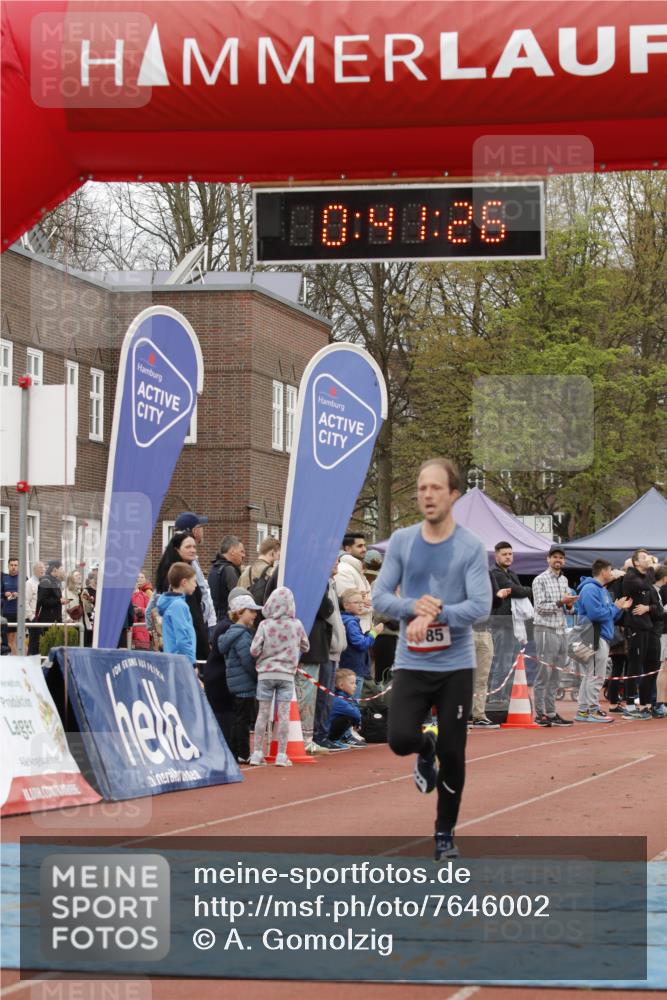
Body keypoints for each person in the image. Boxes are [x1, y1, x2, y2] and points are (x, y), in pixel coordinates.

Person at [373, 458, 492, 862]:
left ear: (453, 494)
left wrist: (436, 613)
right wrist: (411, 606)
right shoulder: (403, 541)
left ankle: (444, 832)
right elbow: (379, 597)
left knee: (455, 753)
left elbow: (480, 604)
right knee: (398, 739)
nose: (426, 494)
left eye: (435, 488)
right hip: (412, 662)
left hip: (454, 665)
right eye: (422, 487)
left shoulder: (470, 547)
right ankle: (425, 749)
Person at [249, 587, 310, 767]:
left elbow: (253, 650)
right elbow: (306, 646)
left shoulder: (264, 625)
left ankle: (257, 753)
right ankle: (281, 755)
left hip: (265, 673)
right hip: (286, 675)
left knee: (262, 713)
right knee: (283, 715)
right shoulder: (296, 625)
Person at [574, 559, 632, 723]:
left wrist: (618, 608)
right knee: (596, 675)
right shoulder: (591, 589)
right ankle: (592, 709)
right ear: (604, 572)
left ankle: (584, 710)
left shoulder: (601, 590)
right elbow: (596, 614)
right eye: (610, 570)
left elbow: (609, 615)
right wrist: (615, 608)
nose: (612, 573)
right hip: (594, 634)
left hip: (600, 634)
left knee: (591, 674)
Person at [531, 546, 577, 727]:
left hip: (561, 629)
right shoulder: (539, 580)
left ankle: (551, 712)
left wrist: (570, 605)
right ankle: (540, 713)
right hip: (545, 629)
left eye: (561, 557)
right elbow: (540, 607)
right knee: (544, 673)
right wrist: (561, 602)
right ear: (548, 559)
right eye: (555, 557)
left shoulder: (564, 579)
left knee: (556, 675)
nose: (558, 560)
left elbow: (564, 608)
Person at [203, 586, 253, 750]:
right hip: (222, 680)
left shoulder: (225, 626)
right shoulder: (232, 629)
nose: (254, 615)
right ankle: (235, 753)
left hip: (221, 678)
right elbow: (244, 658)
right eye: (250, 611)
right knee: (228, 722)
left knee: (226, 721)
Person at [486, 541, 533, 711]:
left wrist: (521, 590)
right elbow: (516, 590)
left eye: (510, 554)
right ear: (496, 555)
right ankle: (496, 700)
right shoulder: (495, 573)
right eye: (504, 554)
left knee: (511, 664)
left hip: (513, 624)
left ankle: (504, 698)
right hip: (501, 624)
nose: (508, 557)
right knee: (501, 663)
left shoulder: (511, 573)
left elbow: (518, 589)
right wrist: (527, 589)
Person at [309, 560, 348, 753]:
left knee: (328, 695)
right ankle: (318, 734)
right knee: (323, 695)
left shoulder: (332, 584)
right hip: (326, 647)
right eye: (333, 559)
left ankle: (323, 733)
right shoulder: (321, 583)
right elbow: (326, 612)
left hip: (334, 648)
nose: (337, 563)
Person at [219, 594, 262, 762]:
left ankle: (236, 751)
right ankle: (243, 753)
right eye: (251, 611)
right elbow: (247, 660)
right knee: (242, 721)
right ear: (240, 613)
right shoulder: (243, 635)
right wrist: (257, 676)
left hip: (236, 683)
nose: (254, 615)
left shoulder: (232, 634)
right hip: (244, 683)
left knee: (238, 719)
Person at [154, 531, 209, 661]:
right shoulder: (178, 586)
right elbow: (183, 634)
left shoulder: (185, 573)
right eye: (188, 547)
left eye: (194, 546)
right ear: (176, 549)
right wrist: (193, 660)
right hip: (187, 653)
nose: (193, 550)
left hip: (186, 646)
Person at [622, 548, 662, 719]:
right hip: (635, 629)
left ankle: (644, 704)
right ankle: (630, 706)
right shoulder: (631, 578)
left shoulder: (645, 580)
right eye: (643, 558)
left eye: (648, 556)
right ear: (636, 562)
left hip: (648, 629)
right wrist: (653, 565)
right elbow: (646, 585)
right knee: (635, 666)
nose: (648, 559)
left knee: (649, 666)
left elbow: (658, 608)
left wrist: (648, 607)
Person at [297, 586, 334, 748]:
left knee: (300, 693)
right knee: (306, 694)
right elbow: (326, 609)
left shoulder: (283, 571)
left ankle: (298, 737)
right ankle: (303, 739)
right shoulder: (314, 577)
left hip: (295, 647)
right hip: (310, 648)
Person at [174, 512, 217, 637]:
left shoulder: (190, 558)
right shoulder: (183, 558)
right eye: (201, 527)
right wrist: (200, 612)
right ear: (195, 531)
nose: (203, 531)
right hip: (192, 623)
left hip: (198, 620)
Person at [339, 589, 384, 701]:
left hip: (349, 667)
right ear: (346, 605)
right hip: (354, 669)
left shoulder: (345, 619)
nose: (360, 605)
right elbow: (361, 644)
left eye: (361, 602)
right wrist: (374, 633)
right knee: (353, 703)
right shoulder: (351, 622)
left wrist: (369, 633)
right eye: (356, 602)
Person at [156, 562, 198, 662]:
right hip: (181, 661)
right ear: (184, 582)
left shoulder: (172, 604)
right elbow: (182, 638)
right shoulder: (179, 605)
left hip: (174, 659)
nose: (196, 585)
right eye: (194, 581)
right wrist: (192, 663)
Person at [335, 533, 372, 633]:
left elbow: (364, 602)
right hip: (352, 632)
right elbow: (349, 605)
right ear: (348, 548)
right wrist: (374, 604)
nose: (364, 549)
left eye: (364, 545)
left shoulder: (357, 569)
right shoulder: (344, 570)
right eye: (359, 546)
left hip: (363, 630)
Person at [209, 535, 245, 621]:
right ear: (232, 551)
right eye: (242, 551)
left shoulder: (214, 568)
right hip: (228, 620)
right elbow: (239, 599)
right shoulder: (229, 570)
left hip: (216, 620)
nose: (244, 555)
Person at [328, 668, 367, 746]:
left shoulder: (348, 698)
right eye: (352, 683)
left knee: (351, 716)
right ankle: (333, 740)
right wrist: (358, 723)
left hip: (330, 728)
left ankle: (338, 739)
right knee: (348, 717)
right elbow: (355, 714)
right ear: (341, 685)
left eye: (355, 683)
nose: (355, 686)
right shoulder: (339, 700)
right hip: (327, 731)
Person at [238, 537, 281, 606]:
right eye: (279, 555)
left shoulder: (245, 571)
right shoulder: (272, 572)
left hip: (246, 614)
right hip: (263, 614)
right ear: (272, 553)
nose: (279, 559)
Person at [653, 566, 667, 718]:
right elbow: (659, 610)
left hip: (663, 631)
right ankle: (659, 703)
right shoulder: (662, 588)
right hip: (664, 632)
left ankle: (661, 703)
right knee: (664, 667)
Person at [1, 557, 20, 653]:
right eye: (11, 565)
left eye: (15, 565)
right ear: (8, 566)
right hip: (8, 612)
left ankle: (19, 663)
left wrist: (19, 594)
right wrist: (5, 594)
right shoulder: (4, 578)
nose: (13, 567)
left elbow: (28, 594)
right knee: (10, 640)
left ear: (18, 566)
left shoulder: (23, 578)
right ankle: (17, 663)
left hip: (20, 612)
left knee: (19, 640)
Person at [131, 571, 153, 650]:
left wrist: (140, 610)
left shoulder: (144, 595)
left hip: (141, 633)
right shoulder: (124, 597)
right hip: (129, 633)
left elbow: (150, 611)